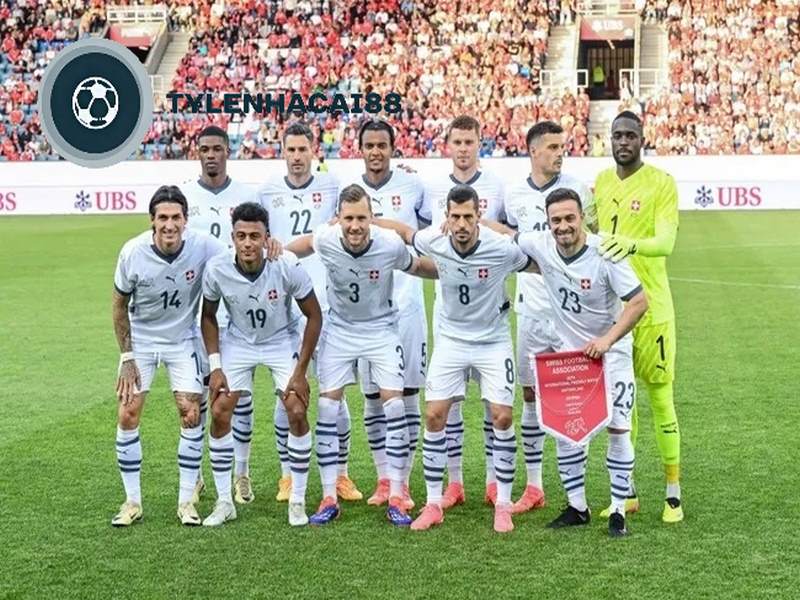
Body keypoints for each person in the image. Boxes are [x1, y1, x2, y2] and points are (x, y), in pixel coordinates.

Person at [377, 184, 539, 533]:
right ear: (446, 218)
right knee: (434, 415)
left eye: (468, 216)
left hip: (493, 341)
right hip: (451, 340)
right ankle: (434, 503)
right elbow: (404, 232)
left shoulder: (501, 248)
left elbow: (538, 265)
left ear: (479, 215)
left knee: (502, 416)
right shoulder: (434, 241)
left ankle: (503, 505)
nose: (462, 224)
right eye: (455, 217)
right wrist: (365, 220)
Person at [286, 184, 438, 527]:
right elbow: (304, 245)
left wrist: (456, 268)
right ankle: (329, 497)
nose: (355, 226)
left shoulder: (389, 244)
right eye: (349, 219)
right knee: (327, 408)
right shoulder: (327, 239)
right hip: (339, 331)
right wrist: (275, 252)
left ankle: (397, 495)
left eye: (361, 218)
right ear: (338, 219)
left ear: (372, 218)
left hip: (381, 330)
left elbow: (417, 267)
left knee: (394, 406)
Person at [514, 187, 649, 537]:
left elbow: (639, 302)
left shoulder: (605, 253)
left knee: (618, 427)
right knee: (567, 431)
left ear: (582, 218)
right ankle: (577, 506)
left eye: (569, 218)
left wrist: (607, 340)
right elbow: (508, 236)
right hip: (570, 358)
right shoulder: (541, 244)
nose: (563, 226)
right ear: (547, 222)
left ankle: (618, 509)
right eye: (556, 220)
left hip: (611, 355)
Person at [257, 122, 361, 503]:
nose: (297, 156)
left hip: (327, 305)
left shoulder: (333, 186)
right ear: (282, 151)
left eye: (303, 149)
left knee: (335, 394)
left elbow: (352, 216)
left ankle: (342, 475)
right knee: (286, 394)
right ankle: (287, 476)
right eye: (291, 150)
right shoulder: (267, 191)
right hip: (284, 310)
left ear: (314, 151)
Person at [200, 202, 322, 527]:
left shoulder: (286, 264)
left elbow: (314, 315)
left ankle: (297, 501)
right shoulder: (217, 268)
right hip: (239, 341)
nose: (247, 243)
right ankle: (225, 502)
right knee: (220, 409)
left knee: (296, 408)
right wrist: (216, 366)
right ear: (233, 238)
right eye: (241, 236)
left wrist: (301, 372)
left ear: (267, 238)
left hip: (281, 339)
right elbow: (208, 316)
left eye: (255, 236)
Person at [111, 185, 226, 527]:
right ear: (152, 220)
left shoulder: (203, 246)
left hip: (182, 338)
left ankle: (186, 501)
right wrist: (127, 357)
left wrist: (272, 245)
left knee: (190, 413)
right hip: (141, 341)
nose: (169, 225)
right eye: (163, 217)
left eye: (176, 217)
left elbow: (239, 253)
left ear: (186, 220)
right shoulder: (132, 252)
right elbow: (118, 306)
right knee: (128, 413)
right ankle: (132, 501)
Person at [593, 111, 684, 523]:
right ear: (610, 140)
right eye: (617, 135)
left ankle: (673, 494)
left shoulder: (661, 183)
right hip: (616, 314)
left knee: (661, 400)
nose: (623, 141)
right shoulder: (601, 182)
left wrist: (627, 244)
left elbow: (665, 242)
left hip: (654, 310)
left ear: (642, 139)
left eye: (630, 135)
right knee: (621, 405)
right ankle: (626, 492)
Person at [503, 120, 594, 514]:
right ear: (533, 150)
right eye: (553, 147)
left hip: (572, 316)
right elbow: (507, 239)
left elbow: (593, 241)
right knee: (529, 395)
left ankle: (577, 493)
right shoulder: (514, 194)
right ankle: (535, 485)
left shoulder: (578, 190)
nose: (561, 153)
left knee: (572, 399)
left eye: (563, 146)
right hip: (532, 311)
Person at [422, 115, 507, 510]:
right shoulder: (431, 186)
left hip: (488, 311)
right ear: (448, 144)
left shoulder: (496, 186)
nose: (463, 148)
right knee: (449, 402)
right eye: (456, 141)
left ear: (479, 143)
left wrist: (483, 225)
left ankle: (492, 481)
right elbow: (424, 239)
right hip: (449, 313)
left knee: (494, 404)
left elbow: (508, 238)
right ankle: (453, 482)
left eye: (469, 141)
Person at [346, 119, 431, 510]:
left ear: (393, 149)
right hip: (368, 309)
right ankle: (383, 478)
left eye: (382, 145)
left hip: (408, 304)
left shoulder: (414, 186)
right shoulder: (351, 191)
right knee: (373, 396)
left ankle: (404, 480)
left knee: (408, 393)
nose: (376, 151)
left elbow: (428, 236)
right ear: (360, 148)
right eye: (370, 145)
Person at [183, 125, 258, 506]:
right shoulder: (185, 196)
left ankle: (241, 474)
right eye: (204, 149)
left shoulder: (247, 195)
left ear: (228, 151)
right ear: (197, 153)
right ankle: (195, 477)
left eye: (217, 148)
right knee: (196, 398)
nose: (211, 155)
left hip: (238, 314)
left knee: (238, 397)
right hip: (198, 314)